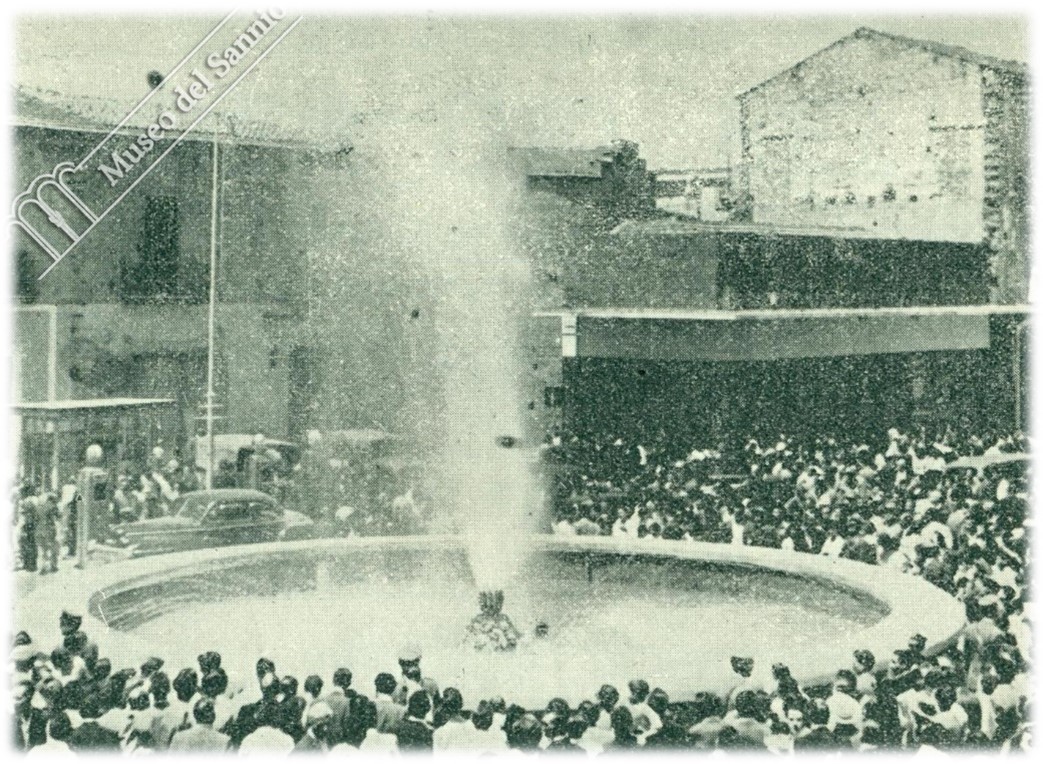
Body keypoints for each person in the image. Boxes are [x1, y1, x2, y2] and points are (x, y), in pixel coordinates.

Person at [33, 491, 60, 574]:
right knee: (54, 547)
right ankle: (53, 566)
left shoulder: (39, 506)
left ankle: (43, 566)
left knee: (43, 549)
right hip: (49, 529)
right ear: (53, 500)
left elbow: (35, 518)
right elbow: (58, 516)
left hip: (39, 529)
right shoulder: (53, 506)